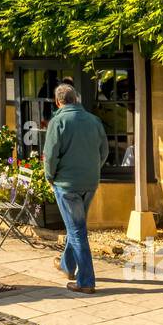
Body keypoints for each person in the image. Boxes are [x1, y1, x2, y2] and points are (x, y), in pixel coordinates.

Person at [43, 82, 108, 294]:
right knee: (76, 226)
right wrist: (93, 169)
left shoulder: (58, 121)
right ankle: (67, 265)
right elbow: (104, 151)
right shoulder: (94, 120)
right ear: (76, 99)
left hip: (67, 184)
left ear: (58, 101)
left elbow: (51, 155)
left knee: (77, 230)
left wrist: (50, 176)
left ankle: (86, 281)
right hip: (90, 182)